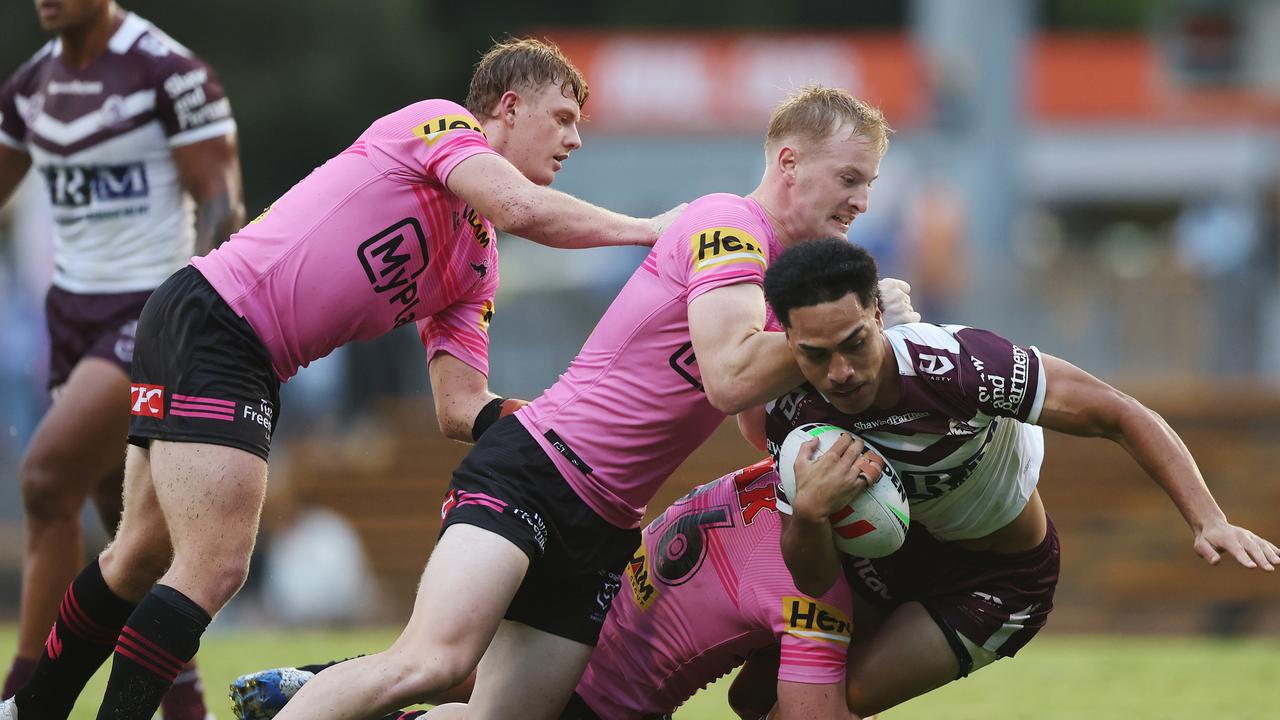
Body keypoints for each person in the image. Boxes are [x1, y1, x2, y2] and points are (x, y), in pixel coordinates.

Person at [0, 37, 680, 720]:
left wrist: (543, 423)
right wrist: (652, 230)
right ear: (508, 106)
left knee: (139, 556)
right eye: (562, 118)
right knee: (215, 567)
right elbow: (521, 210)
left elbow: (458, 406)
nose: (574, 141)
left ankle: (30, 711)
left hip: (225, 339)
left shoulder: (475, 261)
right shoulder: (441, 124)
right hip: (220, 321)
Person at [270, 85, 909, 720]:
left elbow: (750, 424)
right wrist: (856, 330)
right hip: (540, 472)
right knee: (435, 663)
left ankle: (309, 700)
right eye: (850, 176)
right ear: (790, 163)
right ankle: (309, 700)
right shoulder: (729, 221)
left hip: (606, 524)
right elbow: (729, 376)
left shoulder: (783, 290)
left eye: (869, 183)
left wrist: (845, 358)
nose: (862, 200)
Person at [733, 237, 1280, 718]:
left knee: (819, 709)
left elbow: (1120, 412)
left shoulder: (963, 366)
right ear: (790, 346)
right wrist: (809, 513)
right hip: (886, 564)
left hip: (993, 580)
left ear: (878, 314)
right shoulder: (794, 416)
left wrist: (1209, 520)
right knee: (751, 698)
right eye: (815, 355)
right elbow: (810, 577)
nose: (841, 372)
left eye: (854, 342)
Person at [0, 0, 243, 717]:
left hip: (147, 319)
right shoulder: (28, 88)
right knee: (132, 538)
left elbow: (223, 202)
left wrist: (197, 322)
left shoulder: (168, 73)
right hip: (69, 324)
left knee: (46, 481)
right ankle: (186, 706)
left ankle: (24, 699)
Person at [228, 459, 857, 720]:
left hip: (590, 603)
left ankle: (319, 685)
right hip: (612, 695)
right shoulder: (814, 592)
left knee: (454, 672)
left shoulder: (759, 471)